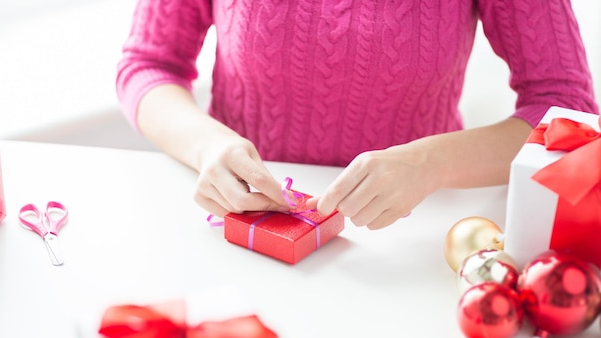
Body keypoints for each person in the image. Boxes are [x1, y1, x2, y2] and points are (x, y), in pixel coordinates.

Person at [116, 0, 597, 230]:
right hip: (238, 223)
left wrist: (432, 163)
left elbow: (567, 110)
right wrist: (207, 147)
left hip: (415, 231)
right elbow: (148, 64)